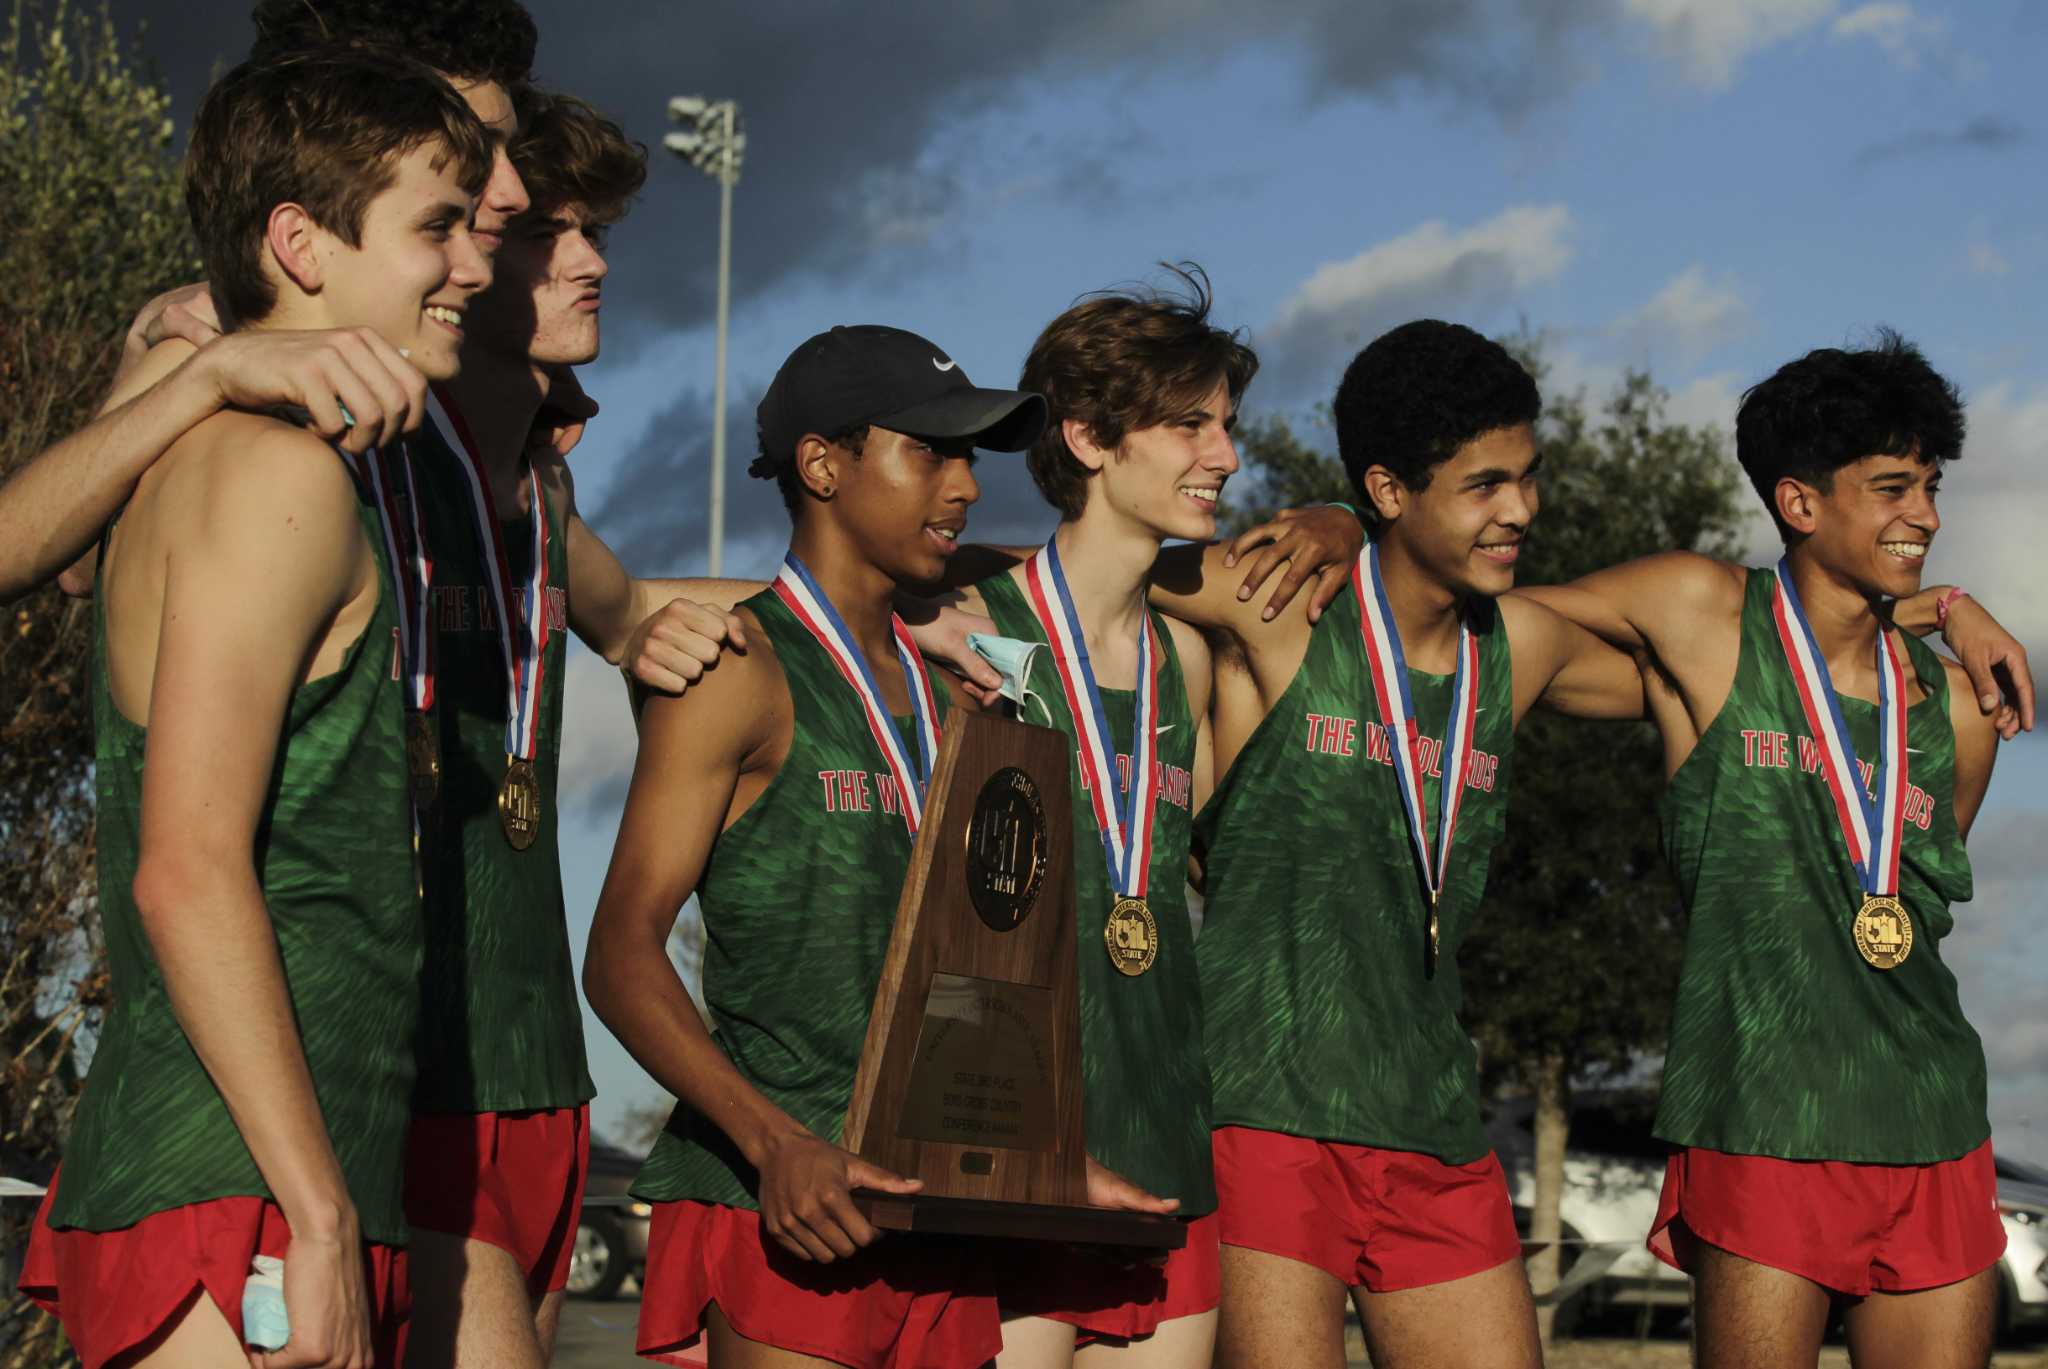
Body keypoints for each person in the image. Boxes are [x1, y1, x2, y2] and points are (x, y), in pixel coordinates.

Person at [17, 49, 493, 1369]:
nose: (474, 267)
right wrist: (321, 1209)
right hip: (243, 1190)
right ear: (300, 241)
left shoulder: (263, 454)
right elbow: (185, 868)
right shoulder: (271, 473)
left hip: (274, 1173)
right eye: (436, 228)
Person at [1517, 332, 2024, 1368]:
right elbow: (1472, 618)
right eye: (1889, 487)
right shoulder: (1699, 617)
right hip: (1758, 1116)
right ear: (1798, 502)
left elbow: (1907, 911)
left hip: (1928, 1121)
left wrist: (1948, 609)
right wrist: (1345, 517)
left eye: (1927, 485)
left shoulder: (1959, 710)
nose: (1922, 515)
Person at [583, 325, 1046, 1369]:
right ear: (823, 463)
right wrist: (773, 1142)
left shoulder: (951, 694)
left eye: (971, 457)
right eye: (930, 451)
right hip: (788, 1201)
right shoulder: (737, 668)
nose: (966, 484)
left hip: (938, 1212)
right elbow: (617, 953)